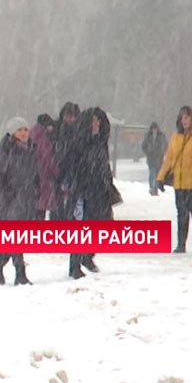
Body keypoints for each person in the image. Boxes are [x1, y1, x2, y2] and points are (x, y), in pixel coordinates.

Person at [0, 117, 38, 285]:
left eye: (25, 129)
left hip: (25, 197)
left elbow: (33, 173)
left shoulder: (31, 148)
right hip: (9, 199)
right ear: (12, 132)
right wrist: (8, 192)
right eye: (19, 129)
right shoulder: (7, 148)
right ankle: (20, 273)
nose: (23, 133)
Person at [65, 107, 116, 279]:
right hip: (83, 191)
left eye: (98, 121)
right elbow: (72, 166)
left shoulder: (100, 142)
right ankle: (75, 264)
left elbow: (104, 166)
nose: (96, 124)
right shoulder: (79, 143)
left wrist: (107, 184)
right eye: (93, 121)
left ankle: (88, 255)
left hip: (99, 191)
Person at [156, 107, 192, 253]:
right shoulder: (176, 137)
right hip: (179, 183)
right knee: (181, 213)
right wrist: (161, 177)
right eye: (182, 117)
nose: (184, 121)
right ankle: (181, 244)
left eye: (187, 117)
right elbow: (169, 159)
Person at [30, 114, 59, 219]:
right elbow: (47, 158)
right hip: (43, 178)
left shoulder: (33, 134)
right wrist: (56, 172)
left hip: (33, 178)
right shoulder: (43, 137)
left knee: (36, 210)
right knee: (41, 209)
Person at [141, 122, 167, 196]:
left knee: (157, 174)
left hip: (159, 158)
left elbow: (165, 145)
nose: (154, 130)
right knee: (152, 173)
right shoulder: (148, 136)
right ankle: (152, 187)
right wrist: (148, 152)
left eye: (155, 129)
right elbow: (143, 146)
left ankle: (155, 188)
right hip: (151, 158)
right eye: (153, 129)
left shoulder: (161, 136)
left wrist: (161, 152)